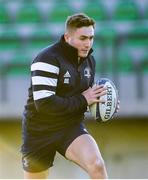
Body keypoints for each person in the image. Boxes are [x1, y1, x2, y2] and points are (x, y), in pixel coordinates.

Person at [21, 13, 118, 179]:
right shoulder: (47, 58)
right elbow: (44, 104)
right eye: (82, 38)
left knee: (97, 165)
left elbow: (83, 98)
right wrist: (84, 100)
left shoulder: (89, 61)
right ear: (67, 37)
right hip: (39, 131)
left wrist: (102, 103)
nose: (88, 44)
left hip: (69, 126)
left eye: (91, 38)